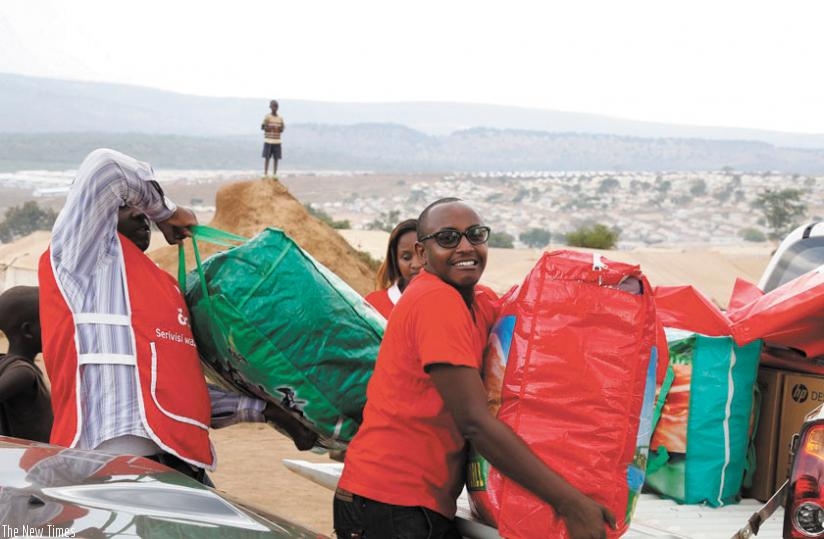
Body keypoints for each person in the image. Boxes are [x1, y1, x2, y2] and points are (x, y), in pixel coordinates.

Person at [334, 198, 615, 539]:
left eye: (475, 235)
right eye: (448, 238)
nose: (465, 247)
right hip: (389, 501)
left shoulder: (478, 301)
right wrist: (569, 502)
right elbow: (475, 422)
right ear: (422, 254)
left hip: (411, 502)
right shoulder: (434, 300)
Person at [38, 148, 316, 486]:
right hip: (109, 468)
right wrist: (165, 212)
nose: (141, 216)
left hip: (179, 468)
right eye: (128, 207)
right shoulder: (81, 259)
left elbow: (177, 391)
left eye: (143, 210)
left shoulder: (165, 288)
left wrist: (267, 411)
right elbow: (105, 168)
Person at [0, 286, 52, 443]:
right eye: (48, 322)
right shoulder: (24, 372)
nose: (53, 328)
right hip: (28, 462)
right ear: (28, 331)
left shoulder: (10, 364)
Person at [364, 218, 422, 319]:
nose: (416, 264)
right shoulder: (373, 305)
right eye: (406, 257)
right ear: (395, 260)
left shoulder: (449, 302)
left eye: (423, 255)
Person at [261, 99, 285, 177]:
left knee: (276, 158)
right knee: (267, 157)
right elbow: (263, 126)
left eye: (276, 106)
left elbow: (282, 129)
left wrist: (280, 129)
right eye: (273, 106)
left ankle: (274, 174)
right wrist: (268, 127)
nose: (275, 108)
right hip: (268, 140)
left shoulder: (280, 118)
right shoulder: (267, 117)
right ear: (270, 107)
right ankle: (265, 173)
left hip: (277, 141)